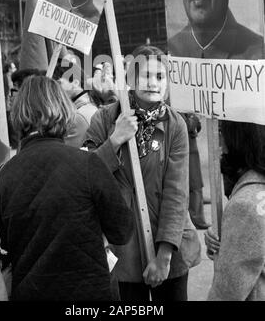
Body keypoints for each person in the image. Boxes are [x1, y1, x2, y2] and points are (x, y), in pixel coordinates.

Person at [0, 75, 133, 301]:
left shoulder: (0, 178)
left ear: (18, 113)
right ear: (63, 108)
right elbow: (122, 230)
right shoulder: (89, 164)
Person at [84, 45, 201, 301]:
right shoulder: (104, 120)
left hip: (169, 249)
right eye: (146, 75)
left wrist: (164, 255)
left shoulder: (175, 125)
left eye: (160, 77)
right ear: (131, 78)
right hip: (121, 250)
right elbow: (86, 176)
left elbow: (176, 193)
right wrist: (114, 140)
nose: (153, 83)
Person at [205, 121, 265, 301]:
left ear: (239, 139)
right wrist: (228, 237)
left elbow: (228, 291)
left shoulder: (246, 205)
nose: (218, 139)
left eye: (222, 131)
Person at [53, 59, 99, 148]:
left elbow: (65, 155)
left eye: (59, 83)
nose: (55, 89)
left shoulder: (79, 117)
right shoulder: (86, 108)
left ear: (75, 82)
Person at [181, 113, 209, 230]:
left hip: (191, 150)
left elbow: (197, 126)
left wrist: (194, 119)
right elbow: (189, 126)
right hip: (184, 151)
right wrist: (194, 118)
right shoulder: (178, 109)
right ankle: (197, 219)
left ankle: (198, 218)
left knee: (196, 184)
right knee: (193, 185)